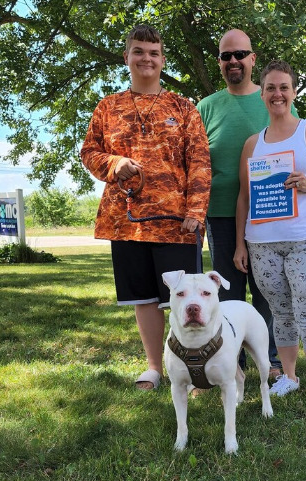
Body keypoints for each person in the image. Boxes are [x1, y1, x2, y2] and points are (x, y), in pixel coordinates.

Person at [81, 25, 211, 391]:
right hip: (125, 222)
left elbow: (200, 163)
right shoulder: (107, 107)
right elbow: (89, 153)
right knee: (144, 300)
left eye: (153, 53)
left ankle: (192, 369)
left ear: (162, 60)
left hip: (176, 223)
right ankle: (155, 368)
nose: (146, 59)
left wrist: (196, 212)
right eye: (138, 51)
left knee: (185, 300)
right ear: (127, 57)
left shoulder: (183, 108)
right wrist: (114, 163)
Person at [234, 60, 306, 405]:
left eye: (284, 87)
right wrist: (240, 243)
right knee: (280, 312)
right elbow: (244, 196)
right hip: (262, 242)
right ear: (262, 95)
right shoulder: (253, 144)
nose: (277, 94)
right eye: (270, 88)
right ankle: (290, 376)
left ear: (293, 92)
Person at [197, 29, 298, 377]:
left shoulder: (274, 99)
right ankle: (231, 363)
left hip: (271, 214)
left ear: (252, 58)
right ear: (220, 63)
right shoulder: (206, 108)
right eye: (226, 56)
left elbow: (295, 145)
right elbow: (193, 162)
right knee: (227, 293)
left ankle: (269, 359)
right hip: (222, 215)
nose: (233, 61)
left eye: (240, 54)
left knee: (267, 289)